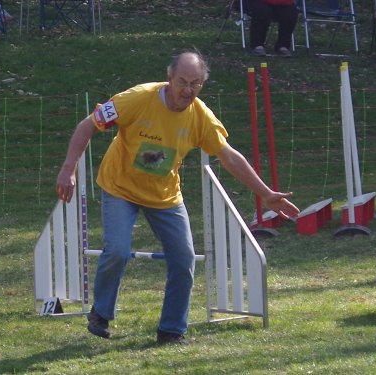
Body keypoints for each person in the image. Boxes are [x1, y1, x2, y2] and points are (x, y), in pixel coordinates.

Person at [55, 51, 300, 345]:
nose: (187, 90)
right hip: (120, 187)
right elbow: (87, 125)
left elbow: (229, 157)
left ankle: (171, 330)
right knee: (118, 250)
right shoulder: (136, 98)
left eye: (195, 84)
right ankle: (101, 313)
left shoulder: (201, 116)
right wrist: (69, 168)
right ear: (169, 77)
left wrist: (266, 193)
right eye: (182, 82)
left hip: (164, 195)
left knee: (184, 259)